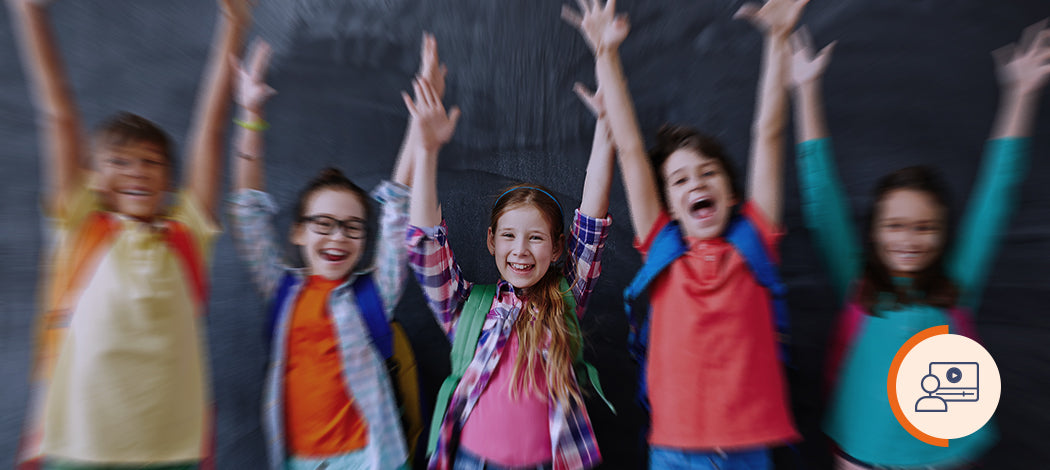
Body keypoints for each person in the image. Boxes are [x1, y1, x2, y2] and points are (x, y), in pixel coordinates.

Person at [788, 20, 1050, 470]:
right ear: (875, 231)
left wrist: (1021, 94)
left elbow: (997, 194)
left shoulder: (956, 285)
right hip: (860, 453)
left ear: (943, 233)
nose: (909, 239)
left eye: (925, 227)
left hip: (942, 456)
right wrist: (805, 90)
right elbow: (821, 195)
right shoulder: (858, 285)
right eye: (895, 225)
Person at [561, 0, 806, 467]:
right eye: (679, 180)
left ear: (731, 193)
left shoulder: (755, 240)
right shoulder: (662, 245)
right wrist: (606, 54)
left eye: (709, 173)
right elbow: (631, 149)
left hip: (747, 452)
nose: (696, 183)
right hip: (675, 453)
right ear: (669, 204)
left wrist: (778, 39)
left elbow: (768, 133)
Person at [9, 0, 253, 468]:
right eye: (119, 161)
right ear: (93, 178)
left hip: (172, 447)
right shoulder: (80, 225)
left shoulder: (185, 233)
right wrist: (30, 13)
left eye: (151, 162)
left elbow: (210, 129)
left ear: (169, 180)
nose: (137, 171)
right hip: (80, 444)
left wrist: (234, 23)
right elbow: (58, 114)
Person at [227, 34, 449, 470]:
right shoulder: (282, 291)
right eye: (323, 224)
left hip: (372, 459)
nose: (337, 238)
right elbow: (248, 211)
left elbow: (397, 202)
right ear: (297, 232)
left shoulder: (375, 295)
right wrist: (250, 114)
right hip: (297, 460)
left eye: (351, 227)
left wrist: (419, 126)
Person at [404, 68, 616, 468]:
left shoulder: (566, 299)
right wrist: (426, 152)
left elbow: (591, 224)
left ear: (557, 247)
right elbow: (427, 245)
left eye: (536, 237)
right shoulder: (466, 307)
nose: (521, 250)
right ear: (491, 241)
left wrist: (607, 125)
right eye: (509, 236)